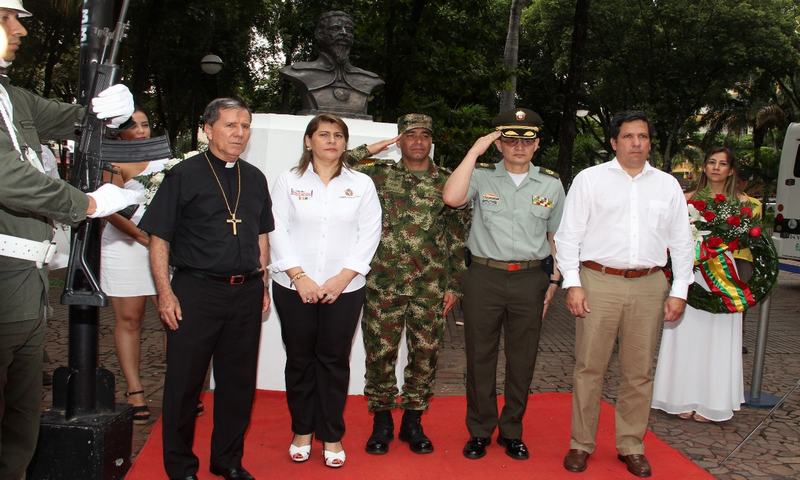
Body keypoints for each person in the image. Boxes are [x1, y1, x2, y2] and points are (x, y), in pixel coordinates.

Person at [0, 2, 139, 477]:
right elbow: (7, 176)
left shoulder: (11, 97)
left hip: (27, 277)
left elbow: (76, 119)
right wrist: (87, 205)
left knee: (19, 418)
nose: (18, 29)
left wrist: (113, 109)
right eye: (4, 18)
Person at [554, 111, 694, 477]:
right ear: (614, 142)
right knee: (589, 368)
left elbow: (681, 241)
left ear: (650, 142)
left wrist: (679, 289)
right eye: (629, 136)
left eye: (643, 137)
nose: (636, 143)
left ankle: (631, 445)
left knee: (638, 372)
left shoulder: (667, 186)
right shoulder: (590, 180)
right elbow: (569, 235)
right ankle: (580, 444)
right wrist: (573, 282)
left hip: (650, 285)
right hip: (599, 281)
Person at [139, 98, 273, 480]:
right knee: (185, 384)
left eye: (245, 126)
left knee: (238, 384)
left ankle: (227, 460)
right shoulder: (183, 175)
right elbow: (159, 239)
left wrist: (262, 282)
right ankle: (180, 466)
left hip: (245, 292)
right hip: (195, 291)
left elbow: (261, 234)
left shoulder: (256, 177)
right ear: (207, 129)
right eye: (231, 125)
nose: (239, 133)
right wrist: (165, 293)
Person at [442, 108, 565, 461]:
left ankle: (512, 431)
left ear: (537, 144)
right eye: (510, 140)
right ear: (499, 145)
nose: (518, 147)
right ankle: (480, 431)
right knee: (480, 356)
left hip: (530, 278)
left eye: (527, 141)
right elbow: (451, 198)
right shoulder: (481, 177)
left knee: (522, 358)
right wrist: (473, 152)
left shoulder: (551, 184)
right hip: (484, 276)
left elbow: (556, 236)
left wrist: (554, 280)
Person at [347, 114, 466, 455]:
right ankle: (382, 421)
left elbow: (458, 237)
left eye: (423, 136)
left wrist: (455, 285)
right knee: (380, 356)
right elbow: (332, 163)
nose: (417, 141)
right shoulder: (378, 174)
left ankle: (414, 421)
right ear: (399, 140)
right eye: (409, 135)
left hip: (430, 287)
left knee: (425, 355)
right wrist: (374, 147)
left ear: (432, 141)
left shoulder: (448, 181)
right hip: (383, 283)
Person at [269, 113, 381, 468]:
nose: (331, 141)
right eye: (323, 134)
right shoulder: (288, 180)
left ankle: (331, 435)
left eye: (338, 135)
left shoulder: (362, 184)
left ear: (346, 144)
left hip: (344, 289)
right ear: (308, 141)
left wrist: (342, 277)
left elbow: (370, 233)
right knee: (300, 360)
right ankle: (302, 430)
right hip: (293, 286)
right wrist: (299, 276)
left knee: (334, 362)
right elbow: (276, 229)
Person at [651, 147, 760, 423]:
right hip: (694, 274)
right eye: (711, 162)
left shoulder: (748, 206)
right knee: (688, 333)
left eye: (722, 164)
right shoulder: (686, 200)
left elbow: (753, 243)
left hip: (726, 277)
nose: (716, 167)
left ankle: (713, 401)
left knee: (718, 336)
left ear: (731, 170)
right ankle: (679, 397)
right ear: (704, 167)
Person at [100, 108, 165, 424]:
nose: (140, 130)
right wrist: (143, 238)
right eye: (132, 125)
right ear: (118, 131)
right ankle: (135, 390)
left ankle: (180, 387)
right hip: (126, 245)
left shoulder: (166, 162)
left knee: (173, 317)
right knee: (130, 318)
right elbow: (108, 209)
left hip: (164, 246)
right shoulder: (112, 162)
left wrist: (160, 241)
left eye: (145, 124)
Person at [279, 10, 384, 119]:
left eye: (349, 30)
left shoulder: (369, 79)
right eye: (335, 28)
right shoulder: (298, 73)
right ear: (319, 34)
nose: (344, 33)